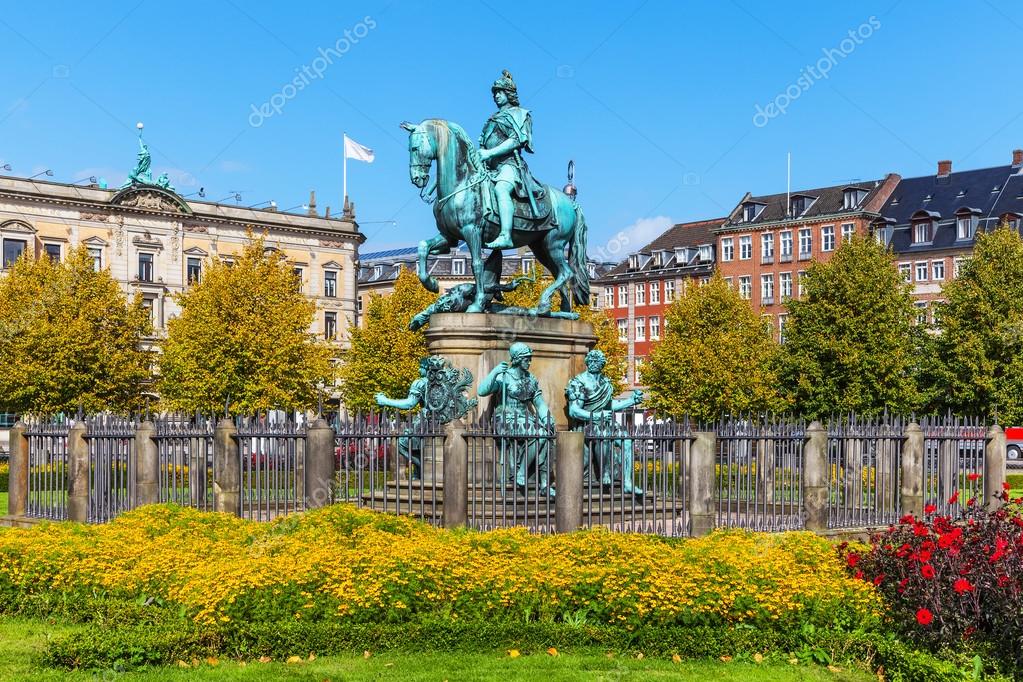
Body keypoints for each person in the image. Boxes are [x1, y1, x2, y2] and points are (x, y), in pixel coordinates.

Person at [477, 342, 554, 496]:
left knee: (545, 434)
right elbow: (481, 391)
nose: (529, 362)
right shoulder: (503, 377)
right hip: (505, 419)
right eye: (527, 359)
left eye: (529, 358)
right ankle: (522, 473)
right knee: (537, 433)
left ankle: (543, 483)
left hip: (524, 419)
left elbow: (539, 404)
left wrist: (547, 419)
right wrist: (494, 372)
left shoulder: (531, 379)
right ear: (518, 359)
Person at [566, 349, 645, 496]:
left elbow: (609, 406)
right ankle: (605, 473)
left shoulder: (605, 382)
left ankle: (627, 482)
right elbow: (574, 411)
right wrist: (596, 416)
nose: (594, 364)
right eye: (592, 361)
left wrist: (631, 400)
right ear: (587, 362)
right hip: (586, 424)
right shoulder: (579, 382)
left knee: (627, 440)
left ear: (602, 364)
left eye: (598, 361)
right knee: (603, 434)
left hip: (606, 423)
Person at [479, 70, 537, 250]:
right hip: (489, 168)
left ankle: (505, 234)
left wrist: (490, 153)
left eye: (500, 92)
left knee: (501, 189)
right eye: (495, 93)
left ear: (509, 94)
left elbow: (516, 140)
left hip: (510, 165)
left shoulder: (521, 114)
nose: (496, 96)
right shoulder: (492, 119)